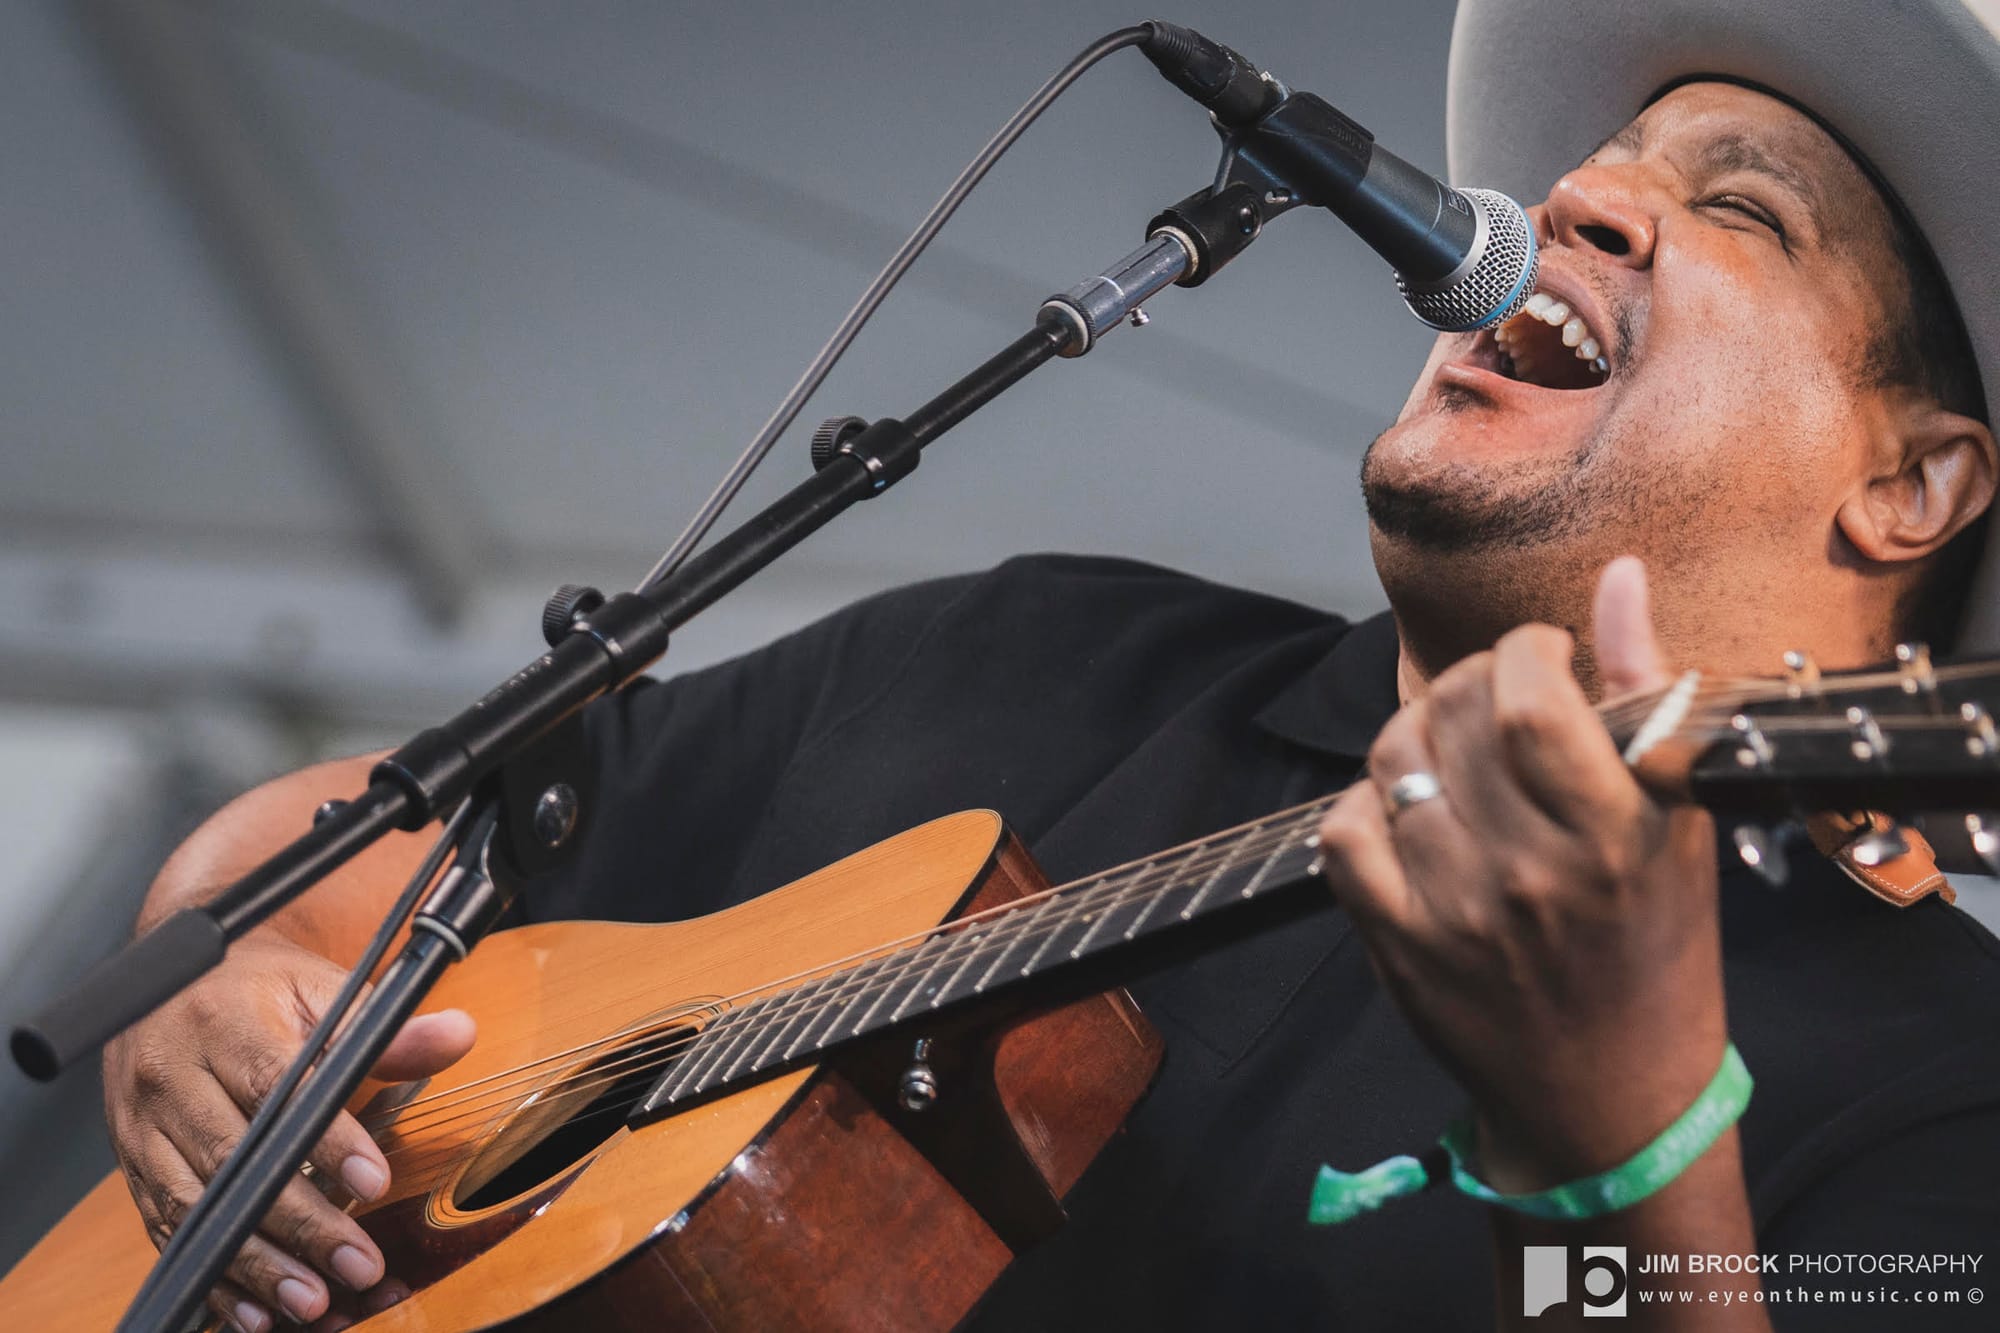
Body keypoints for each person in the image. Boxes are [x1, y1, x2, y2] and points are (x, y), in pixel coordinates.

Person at [88, 1, 2000, 1329]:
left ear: (1915, 485)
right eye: (1598, 161)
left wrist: (1625, 1138)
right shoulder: (1045, 642)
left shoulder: (1943, 1103)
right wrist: (228, 964)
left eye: (1735, 206)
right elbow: (346, 851)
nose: (1568, 200)